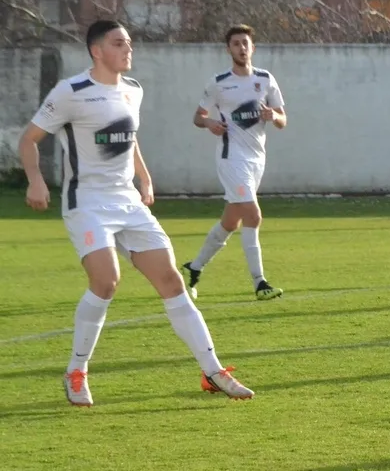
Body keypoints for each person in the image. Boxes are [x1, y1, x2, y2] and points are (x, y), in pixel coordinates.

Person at [17, 20, 254, 406]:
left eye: (129, 42)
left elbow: (129, 138)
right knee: (106, 281)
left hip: (127, 202)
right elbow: (29, 139)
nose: (128, 48)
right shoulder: (70, 92)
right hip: (87, 202)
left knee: (172, 281)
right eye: (118, 43)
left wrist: (144, 177)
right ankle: (76, 371)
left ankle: (213, 371)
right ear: (97, 51)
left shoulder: (133, 90)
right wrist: (35, 180)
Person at [183, 24, 288, 301]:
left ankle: (195, 267)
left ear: (253, 47)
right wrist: (209, 123)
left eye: (245, 43)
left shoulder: (265, 79)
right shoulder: (219, 82)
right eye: (236, 44)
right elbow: (198, 116)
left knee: (230, 222)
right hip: (231, 158)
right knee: (253, 216)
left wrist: (273, 116)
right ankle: (260, 283)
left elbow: (282, 120)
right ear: (228, 49)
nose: (242, 48)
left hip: (256, 159)